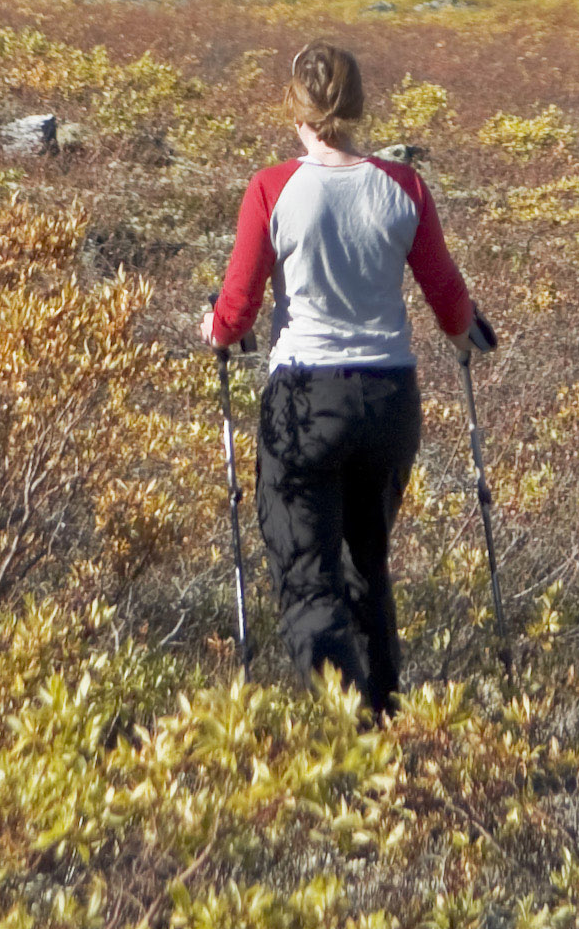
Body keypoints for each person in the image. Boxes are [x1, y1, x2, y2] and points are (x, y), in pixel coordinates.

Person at [201, 42, 497, 719]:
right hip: (389, 401)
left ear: (294, 107)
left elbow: (236, 309)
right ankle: (390, 723)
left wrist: (216, 330)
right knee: (367, 562)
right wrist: (465, 337)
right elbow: (447, 294)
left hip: (305, 400)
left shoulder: (272, 188)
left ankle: (355, 729)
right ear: (358, 103)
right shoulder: (402, 185)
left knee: (309, 581)